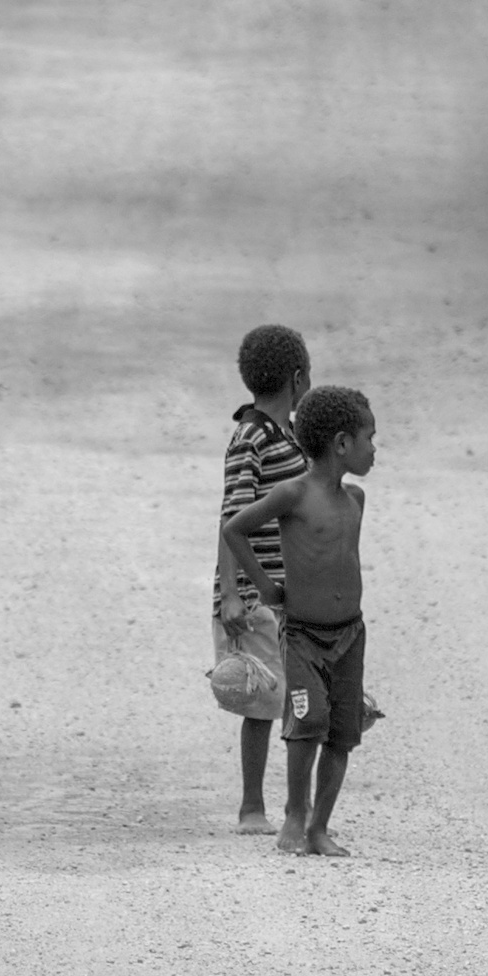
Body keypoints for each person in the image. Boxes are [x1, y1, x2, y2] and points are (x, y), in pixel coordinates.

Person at [221, 386, 376, 857]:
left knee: (343, 733)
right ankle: (295, 814)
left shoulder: (356, 499)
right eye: (370, 437)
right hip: (305, 636)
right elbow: (234, 528)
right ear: (342, 444)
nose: (375, 449)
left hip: (350, 634)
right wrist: (265, 589)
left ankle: (319, 828)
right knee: (307, 724)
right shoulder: (293, 493)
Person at [211, 325, 312, 834]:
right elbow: (232, 515)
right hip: (253, 594)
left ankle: (300, 809)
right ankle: (252, 806)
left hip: (289, 591)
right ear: (298, 378)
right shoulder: (250, 437)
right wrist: (232, 594)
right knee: (260, 701)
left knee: (297, 696)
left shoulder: (288, 434)